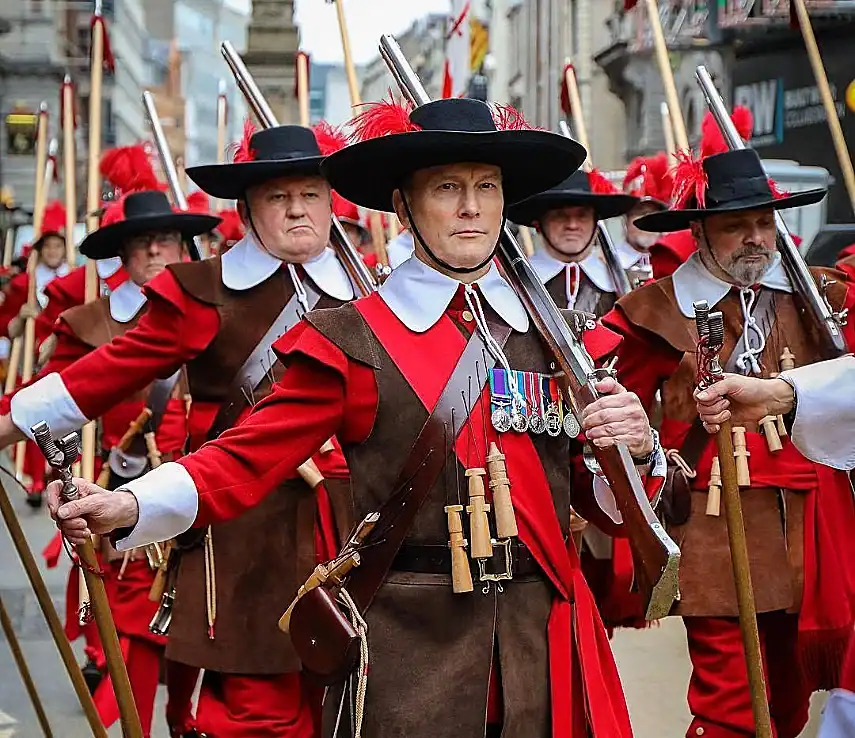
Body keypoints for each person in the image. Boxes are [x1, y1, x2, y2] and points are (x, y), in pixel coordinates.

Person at [40, 96, 665, 738]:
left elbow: (597, 501)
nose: (472, 207)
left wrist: (636, 448)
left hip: (544, 637)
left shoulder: (555, 336)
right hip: (414, 649)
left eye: (487, 187)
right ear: (403, 207)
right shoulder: (351, 340)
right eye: (448, 188)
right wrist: (128, 506)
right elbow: (243, 454)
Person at [2, 121, 357, 738]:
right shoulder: (203, 291)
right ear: (247, 209)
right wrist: (8, 426)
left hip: (349, 531)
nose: (299, 209)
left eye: (312, 194)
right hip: (242, 530)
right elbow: (105, 373)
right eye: (279, 197)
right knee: (255, 715)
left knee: (344, 708)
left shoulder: (369, 294)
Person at [602, 146, 855, 738]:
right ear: (699, 231)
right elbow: (599, 397)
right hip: (715, 531)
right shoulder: (653, 310)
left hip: (811, 533)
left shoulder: (820, 296)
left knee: (789, 710)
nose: (755, 238)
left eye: (766, 223)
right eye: (736, 225)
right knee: (733, 714)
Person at [18, 189, 216, 736]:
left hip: (214, 501)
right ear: (123, 255)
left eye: (167, 241)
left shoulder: (224, 312)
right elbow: (42, 405)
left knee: (199, 638)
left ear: (185, 248)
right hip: (126, 503)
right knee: (136, 638)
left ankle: (182, 720)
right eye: (142, 243)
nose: (155, 252)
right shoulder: (88, 324)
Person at [0, 199, 71, 503]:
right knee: (31, 414)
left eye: (58, 246)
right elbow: (6, 328)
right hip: (29, 360)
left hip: (63, 359)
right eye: (49, 247)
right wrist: (22, 317)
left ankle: (59, 475)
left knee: (62, 417)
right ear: (42, 249)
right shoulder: (23, 284)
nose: (53, 252)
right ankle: (33, 478)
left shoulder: (78, 280)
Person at [507, 165, 637, 317]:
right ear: (538, 224)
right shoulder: (512, 284)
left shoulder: (628, 284)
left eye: (582, 215)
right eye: (560, 215)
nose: (572, 225)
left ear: (596, 224)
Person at [620, 153, 673, 283]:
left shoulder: (674, 260)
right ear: (626, 220)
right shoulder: (607, 262)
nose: (647, 221)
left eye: (653, 214)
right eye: (640, 213)